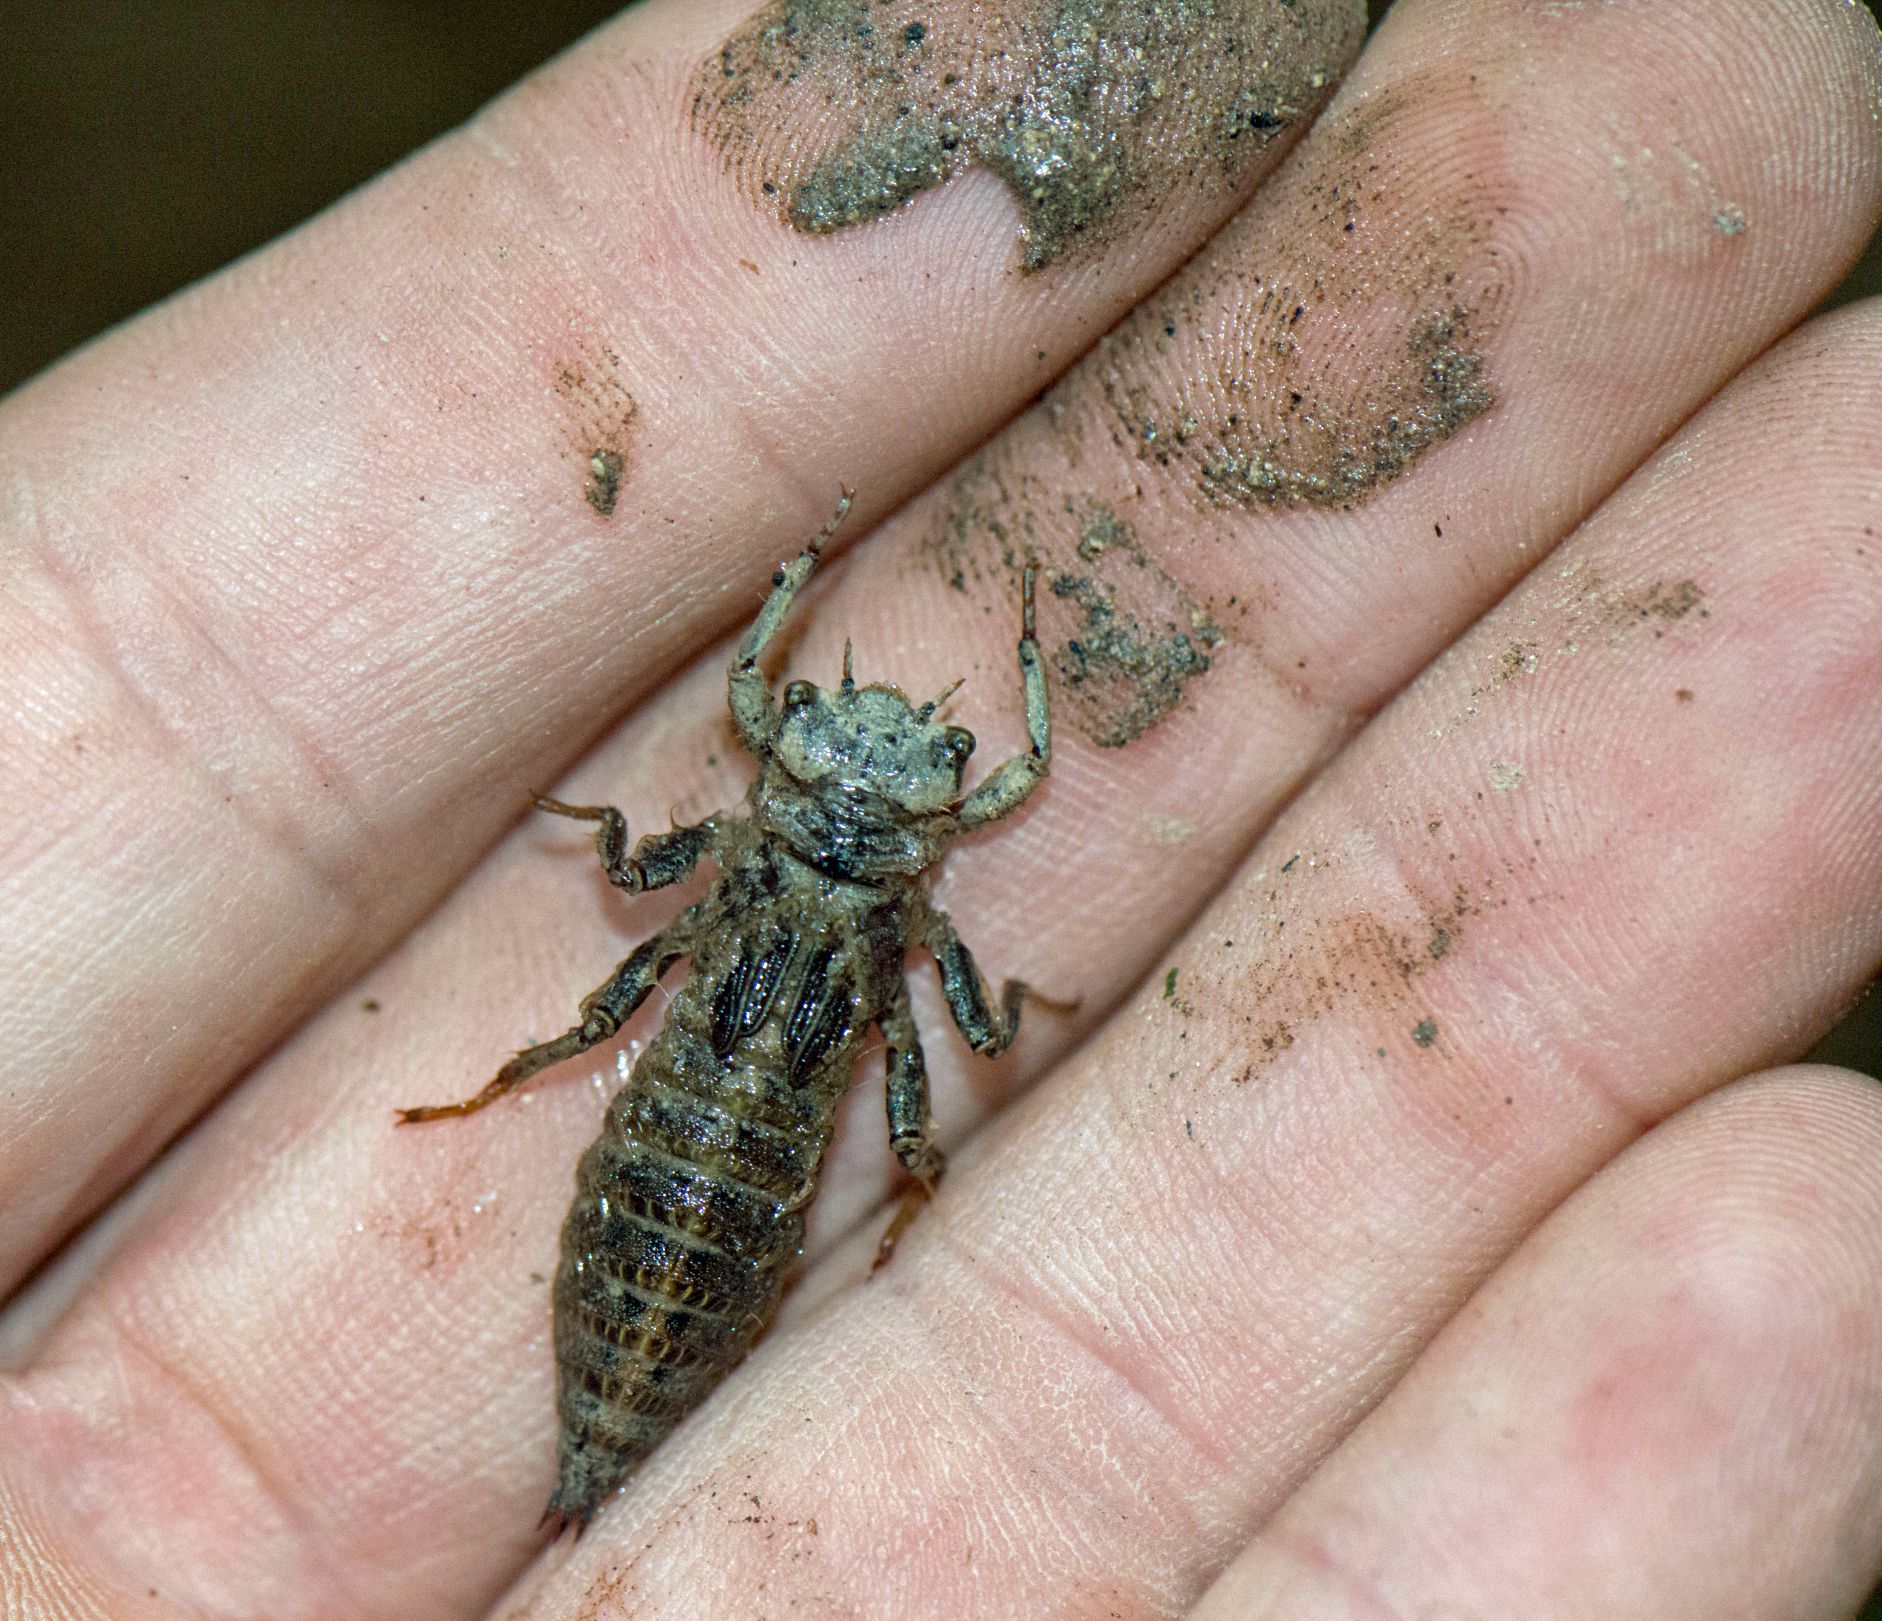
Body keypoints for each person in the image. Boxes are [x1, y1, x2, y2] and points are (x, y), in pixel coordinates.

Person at [2, 0, 1880, 1613]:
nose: (844, 744)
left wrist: (718, 710)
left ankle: (606, 1379)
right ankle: (617, 1385)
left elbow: (666, 874)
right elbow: (966, 1017)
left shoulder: (740, 836)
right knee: (813, 1112)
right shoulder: (907, 905)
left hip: (688, 1180)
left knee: (647, 1048)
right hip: (706, 1191)